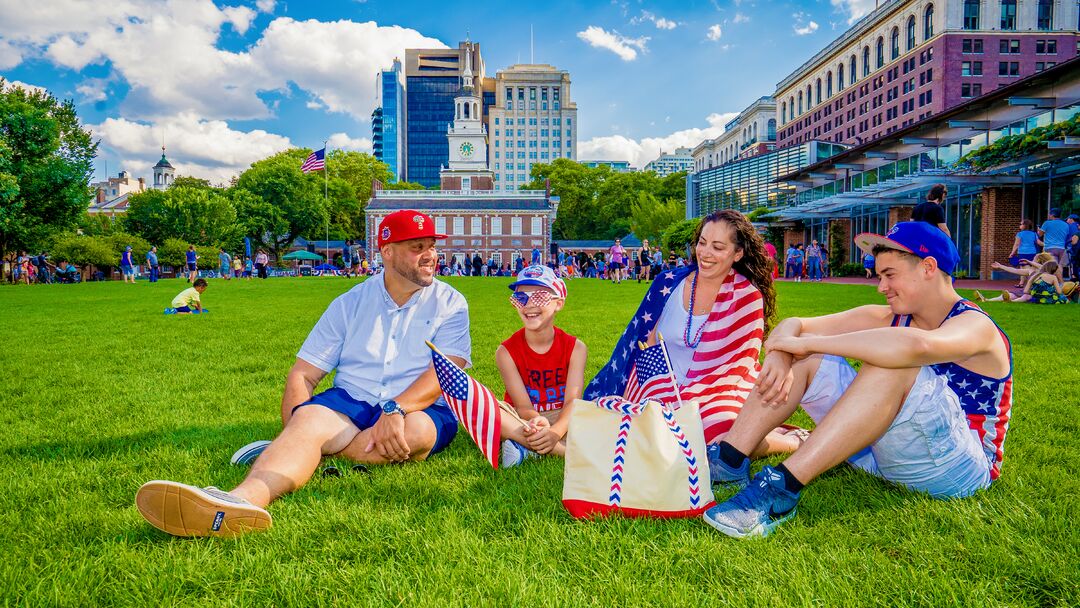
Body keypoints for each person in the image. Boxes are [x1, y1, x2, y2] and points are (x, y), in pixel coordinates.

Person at [135, 210, 469, 538]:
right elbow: (303, 375)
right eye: (418, 247)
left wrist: (395, 408)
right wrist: (297, 425)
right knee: (308, 423)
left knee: (417, 435)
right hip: (352, 399)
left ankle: (304, 450)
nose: (430, 256)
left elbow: (445, 373)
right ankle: (240, 501)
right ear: (387, 251)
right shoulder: (349, 303)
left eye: (432, 246)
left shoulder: (450, 303)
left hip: (420, 406)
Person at [703, 222, 1012, 538]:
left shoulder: (976, 324)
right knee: (810, 358)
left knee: (892, 361)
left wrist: (808, 343)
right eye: (880, 277)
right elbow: (795, 325)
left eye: (890, 275)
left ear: (929, 267)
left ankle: (781, 489)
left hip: (959, 469)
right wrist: (786, 353)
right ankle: (729, 460)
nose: (881, 287)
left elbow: (915, 346)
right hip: (883, 455)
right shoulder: (890, 315)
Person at [586, 210, 806, 461]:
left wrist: (692, 397)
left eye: (718, 247)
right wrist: (661, 394)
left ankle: (791, 442)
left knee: (722, 436)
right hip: (659, 381)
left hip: (719, 387)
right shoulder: (669, 282)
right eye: (702, 243)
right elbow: (647, 344)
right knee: (642, 431)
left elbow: (737, 366)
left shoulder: (747, 297)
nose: (705, 253)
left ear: (738, 253)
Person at [497, 265, 587, 467]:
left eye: (539, 296)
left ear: (558, 303)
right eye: (521, 298)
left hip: (562, 413)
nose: (529, 305)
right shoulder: (505, 352)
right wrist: (538, 422)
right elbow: (523, 406)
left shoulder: (576, 348)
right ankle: (563, 452)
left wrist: (555, 431)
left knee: (597, 413)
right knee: (489, 411)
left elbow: (573, 400)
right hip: (524, 418)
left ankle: (527, 448)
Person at [976, 260, 1071, 304]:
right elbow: (1014, 270)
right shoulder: (1031, 272)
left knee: (1025, 296)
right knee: (1011, 294)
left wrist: (1030, 261)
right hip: (1024, 292)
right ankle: (986, 300)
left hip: (1030, 294)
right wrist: (1001, 266)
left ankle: (1010, 302)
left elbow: (1042, 266)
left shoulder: (1040, 272)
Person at [1007, 219, 1041, 287]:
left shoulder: (1020, 234)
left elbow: (1016, 244)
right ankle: (1021, 283)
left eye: (1021, 224)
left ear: (1025, 225)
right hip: (1032, 253)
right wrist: (1048, 244)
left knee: (1024, 268)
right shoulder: (1034, 234)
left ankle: (1030, 284)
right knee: (1028, 268)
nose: (1020, 225)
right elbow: (1039, 242)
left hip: (1023, 253)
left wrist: (1012, 253)